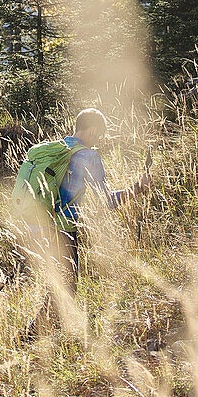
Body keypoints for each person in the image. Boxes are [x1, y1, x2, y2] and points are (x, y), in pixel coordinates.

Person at [52, 107, 152, 293]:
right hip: (63, 231)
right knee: (66, 292)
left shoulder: (56, 148)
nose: (98, 141)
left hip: (39, 225)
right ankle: (40, 324)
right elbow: (108, 201)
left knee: (58, 291)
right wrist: (138, 187)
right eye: (99, 136)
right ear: (92, 131)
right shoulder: (89, 156)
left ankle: (45, 323)